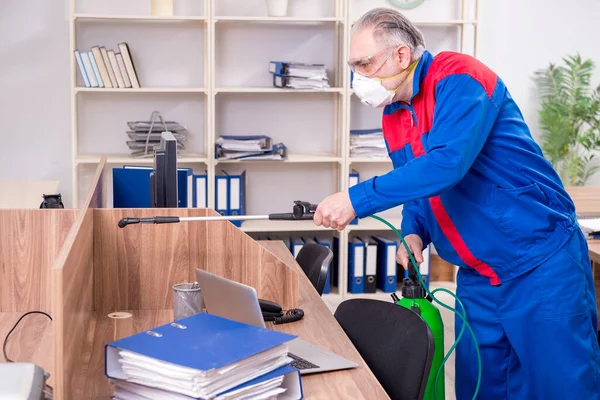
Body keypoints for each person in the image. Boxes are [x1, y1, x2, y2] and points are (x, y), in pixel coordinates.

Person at [313, 7, 600, 400]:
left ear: (400, 56)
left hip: (539, 265)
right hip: (477, 277)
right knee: (481, 388)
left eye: (365, 64)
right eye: (354, 67)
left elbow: (447, 163)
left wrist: (355, 199)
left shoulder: (459, 77)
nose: (358, 78)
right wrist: (414, 231)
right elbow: (419, 185)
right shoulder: (394, 114)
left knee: (562, 386)